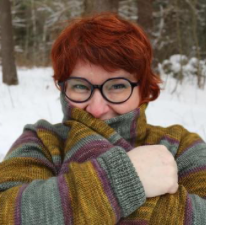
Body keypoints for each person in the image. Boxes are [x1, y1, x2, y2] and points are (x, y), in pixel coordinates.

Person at [0, 13, 205, 224]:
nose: (97, 108)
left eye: (117, 86)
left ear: (143, 90)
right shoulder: (41, 141)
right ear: (63, 88)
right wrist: (121, 181)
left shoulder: (180, 146)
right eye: (80, 86)